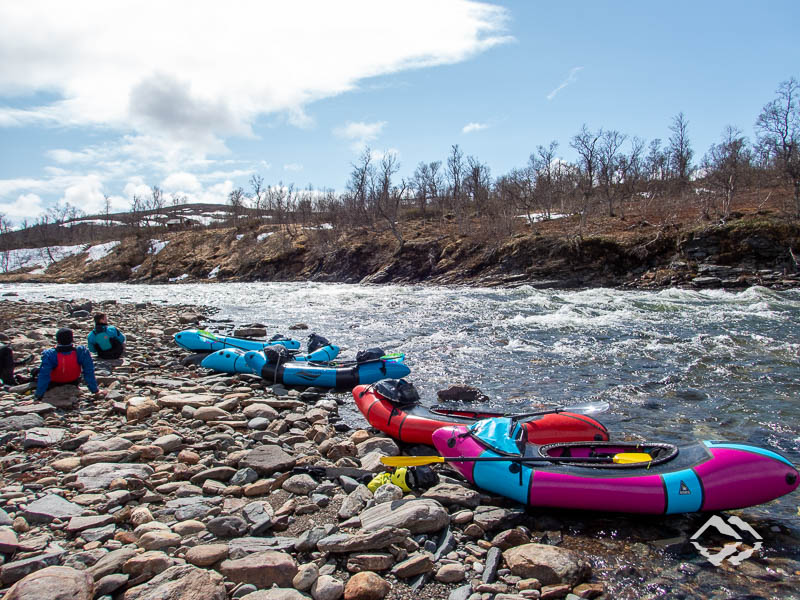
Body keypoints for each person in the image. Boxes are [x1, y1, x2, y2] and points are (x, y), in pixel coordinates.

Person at [34, 328, 101, 401]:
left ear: (57, 340)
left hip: (54, 383)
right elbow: (89, 371)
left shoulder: (50, 354)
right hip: (73, 381)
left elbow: (44, 375)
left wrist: (38, 396)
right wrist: (95, 390)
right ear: (72, 339)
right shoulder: (81, 351)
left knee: (35, 371)